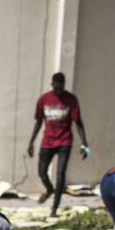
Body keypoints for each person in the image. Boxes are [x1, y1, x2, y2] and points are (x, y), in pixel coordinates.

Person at [27, 72, 89, 216]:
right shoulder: (44, 99)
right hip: (47, 141)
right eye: (56, 88)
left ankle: (54, 207)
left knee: (60, 174)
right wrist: (31, 142)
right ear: (52, 85)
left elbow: (78, 123)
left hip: (64, 141)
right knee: (42, 172)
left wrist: (84, 144)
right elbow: (38, 122)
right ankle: (49, 189)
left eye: (61, 88)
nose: (59, 91)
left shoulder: (71, 100)